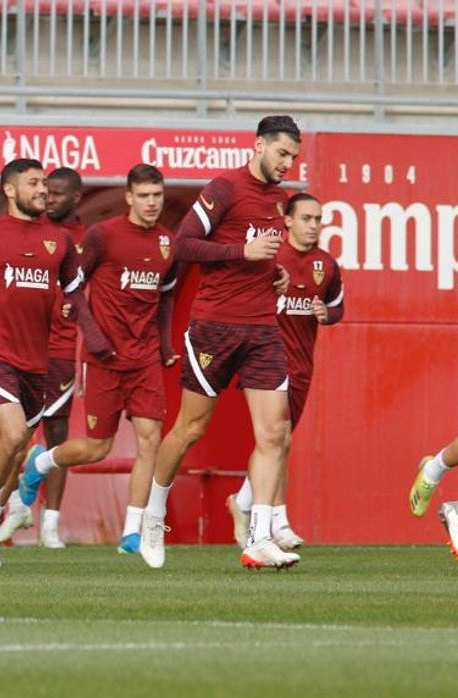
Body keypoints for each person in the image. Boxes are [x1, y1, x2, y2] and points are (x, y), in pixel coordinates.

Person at [140, 115, 300, 570]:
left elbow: (260, 257)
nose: (287, 163)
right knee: (190, 429)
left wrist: (276, 273)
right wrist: (240, 253)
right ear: (258, 146)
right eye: (281, 153)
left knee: (274, 433)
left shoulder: (278, 199)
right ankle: (153, 516)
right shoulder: (224, 188)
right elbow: (181, 246)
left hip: (263, 329)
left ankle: (259, 537)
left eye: (293, 157)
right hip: (215, 327)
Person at [0, 157, 109, 567]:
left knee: (16, 450)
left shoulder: (59, 241)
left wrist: (96, 339)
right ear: (9, 190)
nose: (42, 191)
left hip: (38, 361)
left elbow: (75, 293)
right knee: (11, 436)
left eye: (44, 184)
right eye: (33, 184)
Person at [16, 164, 180, 556]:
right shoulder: (103, 235)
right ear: (128, 197)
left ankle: (131, 533)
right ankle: (41, 462)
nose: (152, 203)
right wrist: (92, 334)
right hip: (103, 359)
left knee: (149, 440)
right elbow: (73, 286)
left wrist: (165, 344)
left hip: (143, 361)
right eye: (144, 196)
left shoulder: (167, 244)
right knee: (97, 448)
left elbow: (167, 296)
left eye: (157, 196)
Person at [228, 193, 344, 550]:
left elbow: (337, 307)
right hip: (266, 360)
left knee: (277, 441)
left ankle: (243, 503)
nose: (313, 225)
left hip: (301, 364)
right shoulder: (272, 257)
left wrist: (326, 314)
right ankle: (276, 521)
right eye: (306, 218)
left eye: (318, 219)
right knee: (278, 439)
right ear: (288, 221)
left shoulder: (326, 264)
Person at [0, 167, 86, 548]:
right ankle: (10, 507)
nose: (50, 198)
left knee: (58, 433)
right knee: (9, 432)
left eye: (59, 193)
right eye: (46, 190)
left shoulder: (85, 239)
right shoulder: (29, 231)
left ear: (77, 198)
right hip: (19, 345)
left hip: (62, 347)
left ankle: (50, 524)